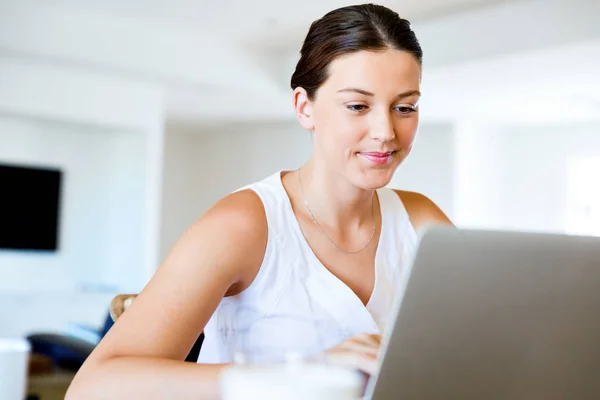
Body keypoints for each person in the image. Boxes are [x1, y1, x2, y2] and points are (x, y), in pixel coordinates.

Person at [66, 3, 452, 399]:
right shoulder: (243, 224)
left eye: (405, 107)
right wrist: (304, 373)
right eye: (357, 106)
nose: (385, 131)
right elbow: (93, 388)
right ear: (305, 107)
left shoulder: (421, 221)